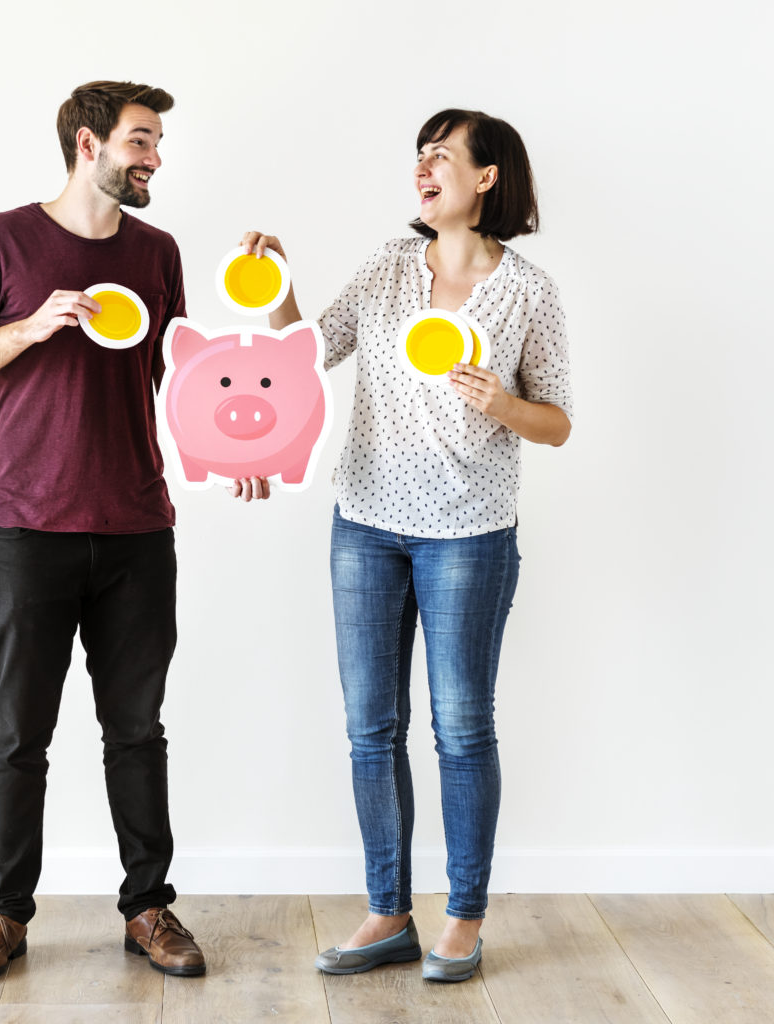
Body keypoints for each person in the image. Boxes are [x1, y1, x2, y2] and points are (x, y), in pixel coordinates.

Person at [0, 79, 269, 985]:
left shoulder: (158, 252)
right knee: (15, 733)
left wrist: (246, 441)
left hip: (135, 529)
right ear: (88, 143)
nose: (155, 158)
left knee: (137, 729)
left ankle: (147, 907)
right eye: (141, 141)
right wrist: (30, 328)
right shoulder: (5, 239)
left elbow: (182, 383)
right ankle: (3, 915)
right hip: (22, 528)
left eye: (155, 144)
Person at [243, 108, 572, 981]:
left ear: (488, 176)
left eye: (441, 157)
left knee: (461, 728)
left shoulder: (528, 291)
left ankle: (463, 918)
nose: (422, 170)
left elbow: (559, 421)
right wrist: (273, 281)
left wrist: (502, 404)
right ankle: (388, 911)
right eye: (417, 158)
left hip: (469, 535)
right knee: (370, 727)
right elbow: (307, 350)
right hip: (365, 526)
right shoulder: (391, 267)